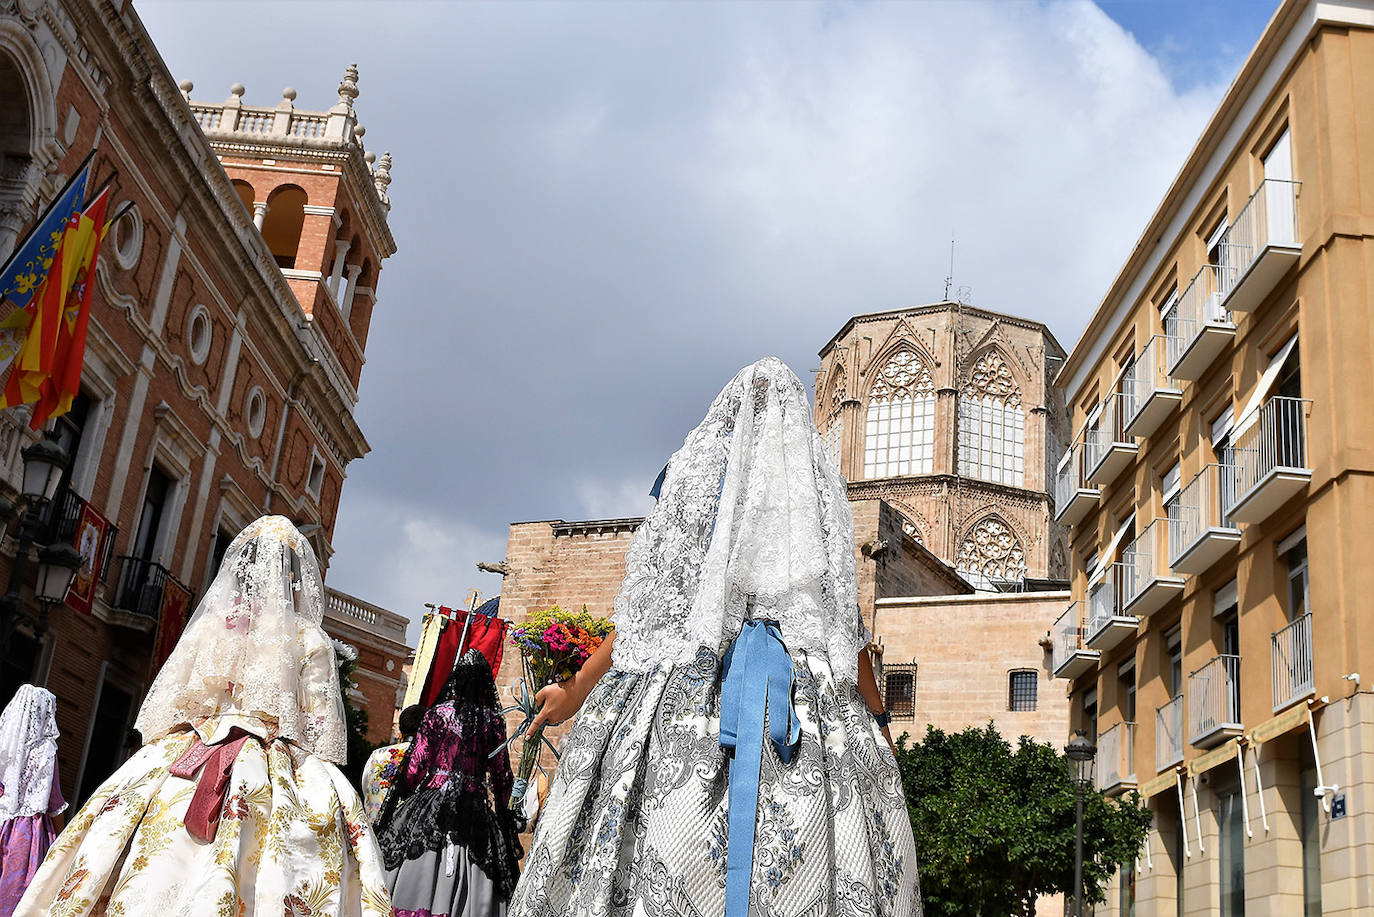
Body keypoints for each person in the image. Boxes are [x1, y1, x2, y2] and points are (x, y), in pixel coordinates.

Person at [509, 357, 921, 917]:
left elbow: (648, 615)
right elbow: (849, 637)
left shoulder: (705, 508)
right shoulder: (810, 519)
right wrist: (877, 726)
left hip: (677, 711)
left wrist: (577, 690)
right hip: (808, 720)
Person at [14, 516, 390, 917]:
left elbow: (173, 705)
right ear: (298, 577)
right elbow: (321, 732)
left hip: (190, 752)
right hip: (269, 760)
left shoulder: (216, 625)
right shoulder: (309, 639)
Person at [374, 649, 522, 917]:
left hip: (432, 802)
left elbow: (417, 763)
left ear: (456, 680)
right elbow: (501, 776)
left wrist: (406, 792)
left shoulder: (438, 714)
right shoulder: (493, 721)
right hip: (475, 806)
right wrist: (505, 812)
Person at [0, 685, 65, 916]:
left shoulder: (4, 742)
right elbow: (55, 801)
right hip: (27, 833)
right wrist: (62, 838)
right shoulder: (46, 749)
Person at [361, 705, 425, 824]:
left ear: (400, 730)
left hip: (371, 829)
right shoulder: (428, 760)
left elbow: (366, 787)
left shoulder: (377, 755)